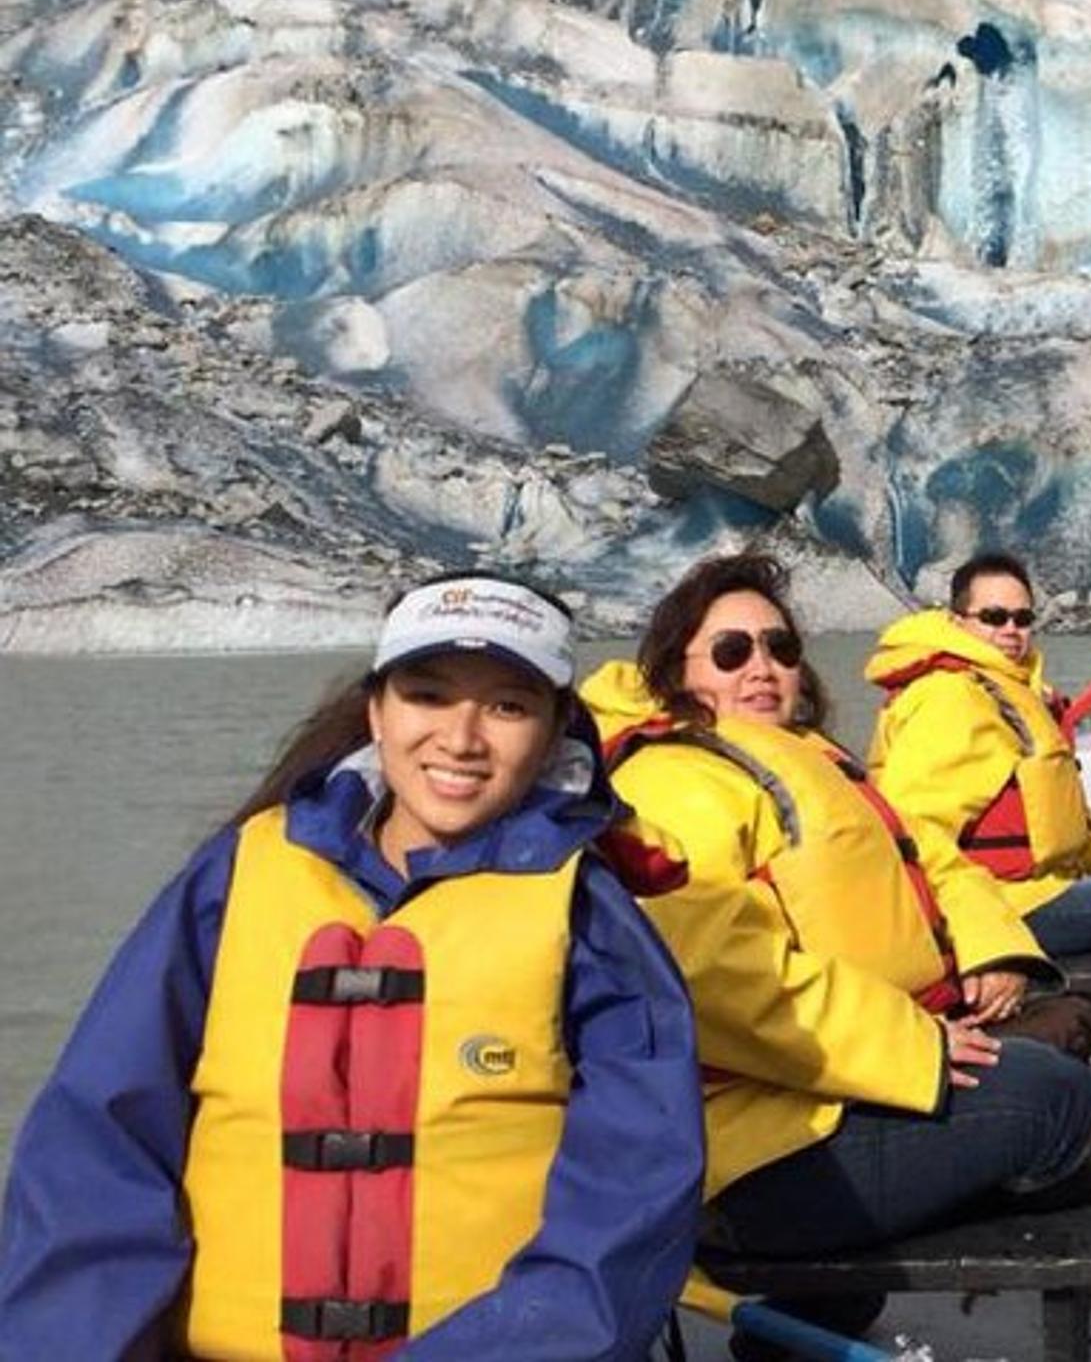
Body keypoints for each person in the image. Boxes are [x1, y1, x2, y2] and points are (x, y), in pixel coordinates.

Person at [0, 573, 705, 1360]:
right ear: (377, 711)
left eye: (508, 705)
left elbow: (633, 1194)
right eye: (428, 695)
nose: (462, 738)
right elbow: (99, 1139)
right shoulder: (236, 876)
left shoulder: (587, 912)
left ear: (551, 730)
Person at [581, 552, 1091, 1360]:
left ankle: (808, 1326)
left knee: (1057, 1034)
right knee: (1054, 1099)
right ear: (675, 668)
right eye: (731, 651)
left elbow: (938, 860)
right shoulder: (676, 782)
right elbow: (716, 973)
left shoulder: (811, 757)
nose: (763, 667)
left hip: (831, 1089)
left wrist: (997, 953)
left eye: (780, 647)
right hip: (747, 1147)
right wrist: (915, 1045)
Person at [865, 551, 1091, 957]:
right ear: (956, 621)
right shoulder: (953, 698)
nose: (1011, 629)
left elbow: (1082, 834)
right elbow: (916, 833)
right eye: (993, 617)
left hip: (1044, 890)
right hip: (1003, 906)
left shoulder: (1012, 693)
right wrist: (979, 943)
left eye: (1022, 619)